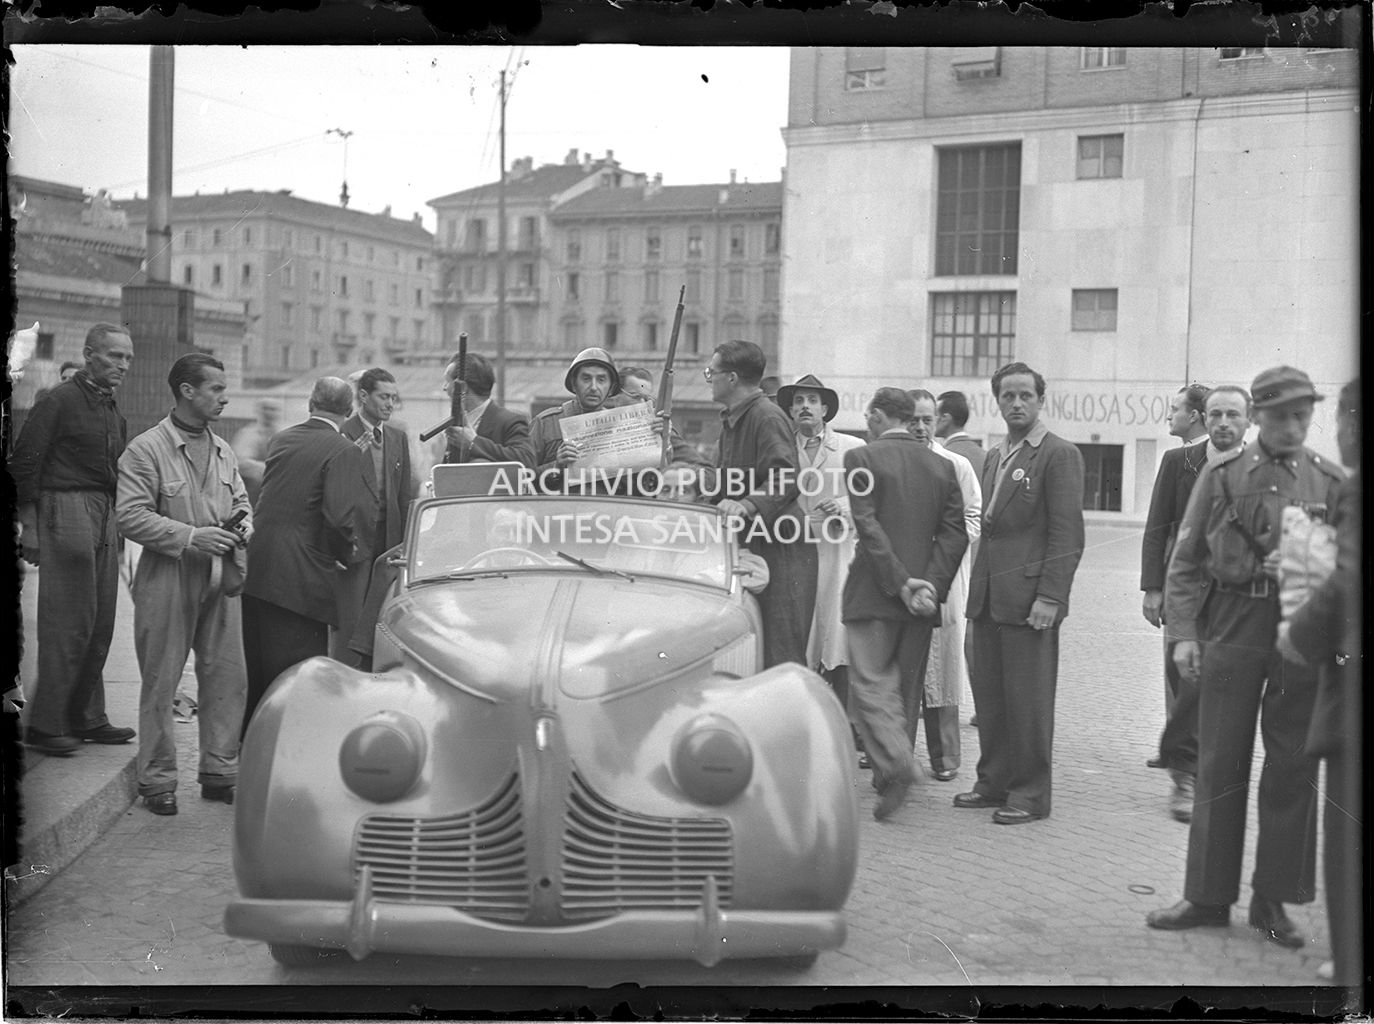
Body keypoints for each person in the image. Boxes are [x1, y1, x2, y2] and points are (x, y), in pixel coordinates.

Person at [1147, 366, 1344, 950]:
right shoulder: (1223, 474)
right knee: (1219, 763)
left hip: (1300, 635)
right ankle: (1207, 897)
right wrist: (1183, 634)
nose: (1291, 424)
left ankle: (1273, 900)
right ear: (1258, 415)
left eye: (1302, 414)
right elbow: (1184, 560)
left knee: (1293, 765)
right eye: (1280, 413)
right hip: (1233, 624)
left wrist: (1318, 570)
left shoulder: (1329, 482)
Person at [116, 354, 250, 815]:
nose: (224, 396)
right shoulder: (145, 449)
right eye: (215, 388)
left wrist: (242, 527)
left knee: (228, 678)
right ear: (187, 391)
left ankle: (219, 771)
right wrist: (191, 536)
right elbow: (129, 515)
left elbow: (242, 501)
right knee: (161, 682)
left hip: (220, 574)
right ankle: (157, 782)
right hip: (167, 575)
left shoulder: (223, 449)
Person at [957, 361, 1085, 825]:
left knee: (1027, 703)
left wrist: (1051, 597)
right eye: (1007, 396)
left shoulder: (1058, 454)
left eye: (1024, 396)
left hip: (1030, 601)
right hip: (988, 596)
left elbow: (1067, 535)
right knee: (990, 699)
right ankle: (992, 782)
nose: (1015, 403)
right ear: (997, 401)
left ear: (1040, 399)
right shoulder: (995, 456)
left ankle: (1030, 795)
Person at [10, 322, 137, 756]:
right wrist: (30, 527)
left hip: (104, 514)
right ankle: (46, 724)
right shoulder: (59, 401)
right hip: (66, 509)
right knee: (69, 623)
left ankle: (86, 716)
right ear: (88, 355)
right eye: (114, 356)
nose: (123, 365)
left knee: (100, 622)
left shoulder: (111, 408)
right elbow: (24, 462)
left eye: (128, 358)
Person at [842, 387, 968, 821]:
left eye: (868, 415)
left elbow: (868, 527)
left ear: (878, 416)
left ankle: (897, 765)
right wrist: (929, 586)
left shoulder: (862, 458)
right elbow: (956, 534)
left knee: (871, 684)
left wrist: (900, 582)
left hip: (874, 593)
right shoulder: (941, 465)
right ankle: (889, 775)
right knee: (904, 689)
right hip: (922, 601)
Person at [1277, 378, 1360, 987]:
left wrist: (1299, 634)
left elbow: (1348, 580)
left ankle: (1354, 964)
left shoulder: (1351, 484)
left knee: (1348, 830)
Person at [239, 377, 374, 737]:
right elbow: (339, 518)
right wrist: (346, 554)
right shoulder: (343, 449)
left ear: (311, 403)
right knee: (294, 678)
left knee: (259, 673)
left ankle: (248, 751)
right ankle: (285, 756)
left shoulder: (281, 439)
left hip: (260, 567)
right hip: (302, 579)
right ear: (349, 411)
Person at [708, 340, 815, 669]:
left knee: (780, 649)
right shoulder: (734, 419)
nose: (709, 378)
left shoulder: (765, 417)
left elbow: (786, 476)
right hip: (756, 545)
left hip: (780, 549)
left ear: (732, 378)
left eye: (712, 372)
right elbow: (722, 481)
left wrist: (747, 504)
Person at [1139, 382, 1213, 822]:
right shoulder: (1175, 461)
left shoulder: (1239, 462)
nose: (1169, 416)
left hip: (1228, 595)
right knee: (1181, 674)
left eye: (1175, 410)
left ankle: (1193, 761)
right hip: (1183, 590)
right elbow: (1156, 526)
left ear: (1196, 415)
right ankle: (1184, 773)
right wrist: (1153, 587)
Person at [908, 389, 982, 783]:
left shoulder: (956, 465)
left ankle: (946, 756)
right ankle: (896, 754)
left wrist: (941, 547)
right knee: (903, 667)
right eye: (913, 420)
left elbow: (974, 517)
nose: (920, 427)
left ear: (937, 422)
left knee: (944, 666)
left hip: (946, 578)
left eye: (927, 419)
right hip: (902, 579)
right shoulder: (893, 463)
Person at [779, 374, 863, 711]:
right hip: (795, 548)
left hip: (839, 550)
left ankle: (844, 719)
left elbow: (871, 497)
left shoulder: (851, 448)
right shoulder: (782, 447)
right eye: (798, 402)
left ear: (825, 409)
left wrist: (844, 505)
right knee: (800, 629)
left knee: (837, 632)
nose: (804, 407)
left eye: (812, 401)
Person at [335, 368, 414, 666]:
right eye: (384, 396)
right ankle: (346, 673)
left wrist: (407, 542)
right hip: (353, 539)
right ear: (363, 396)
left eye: (393, 397)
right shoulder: (342, 432)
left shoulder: (397, 438)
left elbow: (404, 496)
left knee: (383, 613)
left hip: (388, 539)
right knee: (351, 616)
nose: (390, 404)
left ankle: (374, 671)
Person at [442, 353, 534, 467]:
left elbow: (525, 460)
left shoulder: (510, 421)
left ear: (463, 388)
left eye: (448, 382)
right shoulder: (459, 424)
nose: (444, 388)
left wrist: (473, 442)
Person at [230, 398, 282, 507]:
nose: (269, 413)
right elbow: (242, 462)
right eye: (266, 409)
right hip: (253, 485)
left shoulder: (282, 434)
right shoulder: (247, 433)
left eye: (273, 409)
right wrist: (270, 470)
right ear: (259, 411)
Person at [934, 391, 986, 475]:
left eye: (935, 414)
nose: (933, 420)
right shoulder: (985, 456)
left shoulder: (942, 457)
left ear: (945, 418)